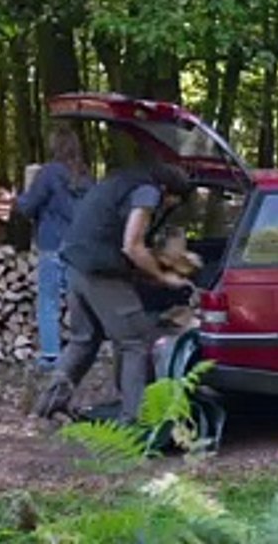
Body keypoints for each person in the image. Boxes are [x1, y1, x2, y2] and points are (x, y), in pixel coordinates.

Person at [30, 159, 195, 425]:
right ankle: (135, 420)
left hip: (75, 264)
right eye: (172, 201)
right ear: (168, 189)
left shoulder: (122, 178)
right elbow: (132, 246)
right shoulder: (148, 192)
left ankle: (47, 407)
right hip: (101, 273)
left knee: (83, 340)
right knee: (135, 342)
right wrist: (163, 276)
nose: (168, 207)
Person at [14, 125, 92, 371]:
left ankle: (51, 354)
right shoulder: (85, 176)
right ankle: (84, 350)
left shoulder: (47, 173)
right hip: (79, 246)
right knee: (78, 300)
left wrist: (17, 198)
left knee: (48, 301)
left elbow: (28, 206)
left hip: (52, 244)